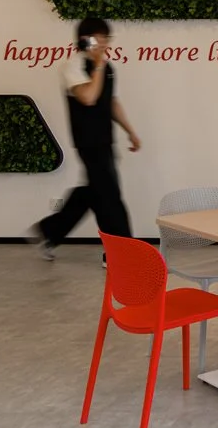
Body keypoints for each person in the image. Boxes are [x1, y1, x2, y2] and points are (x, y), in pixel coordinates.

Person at [27, 17, 141, 261]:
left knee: (94, 192)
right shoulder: (73, 66)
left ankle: (49, 232)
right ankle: (120, 254)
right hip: (88, 142)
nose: (104, 43)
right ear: (85, 39)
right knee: (109, 196)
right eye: (99, 38)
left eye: (106, 38)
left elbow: (110, 101)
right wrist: (98, 66)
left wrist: (130, 131)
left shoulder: (106, 67)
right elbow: (88, 97)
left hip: (105, 140)